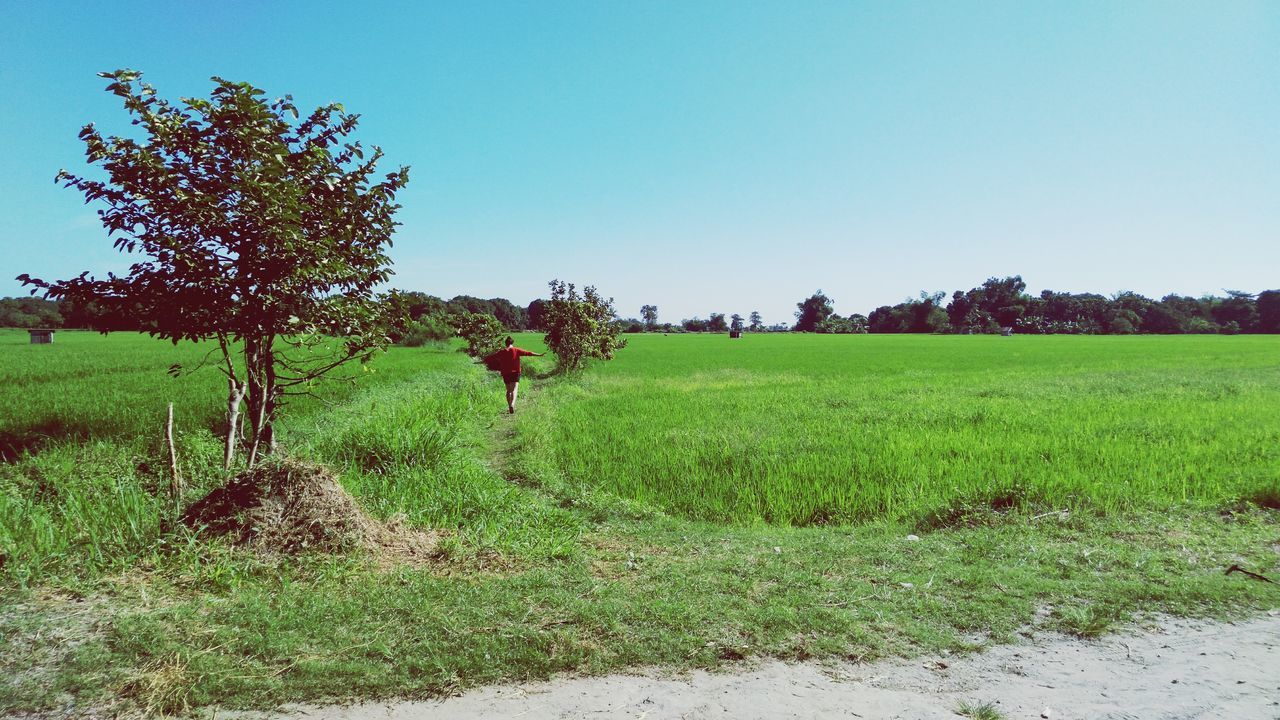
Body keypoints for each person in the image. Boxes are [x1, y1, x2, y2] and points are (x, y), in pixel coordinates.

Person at [494, 336, 544, 414]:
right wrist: (539, 355)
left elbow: (491, 357)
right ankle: (512, 405)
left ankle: (509, 405)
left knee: (508, 390)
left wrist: (482, 361)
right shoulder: (516, 350)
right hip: (515, 372)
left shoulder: (501, 351)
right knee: (514, 389)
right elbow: (528, 353)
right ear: (512, 343)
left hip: (505, 373)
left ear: (506, 343)